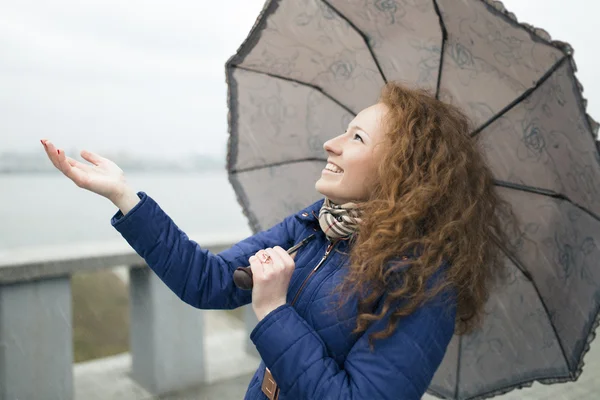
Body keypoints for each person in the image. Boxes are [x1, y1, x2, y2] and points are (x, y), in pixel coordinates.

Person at [41, 82, 516, 400]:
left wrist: (273, 311)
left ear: (404, 169)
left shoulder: (425, 282)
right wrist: (124, 195)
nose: (331, 143)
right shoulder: (315, 226)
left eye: (355, 137)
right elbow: (208, 282)